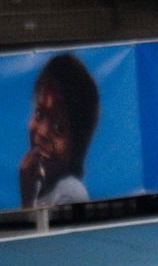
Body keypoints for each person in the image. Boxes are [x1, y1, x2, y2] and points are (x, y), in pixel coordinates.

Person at [19, 53, 100, 210]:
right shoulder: (38, 184)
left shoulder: (70, 192)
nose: (42, 132)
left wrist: (27, 203)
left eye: (59, 129)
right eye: (39, 114)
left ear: (77, 144)